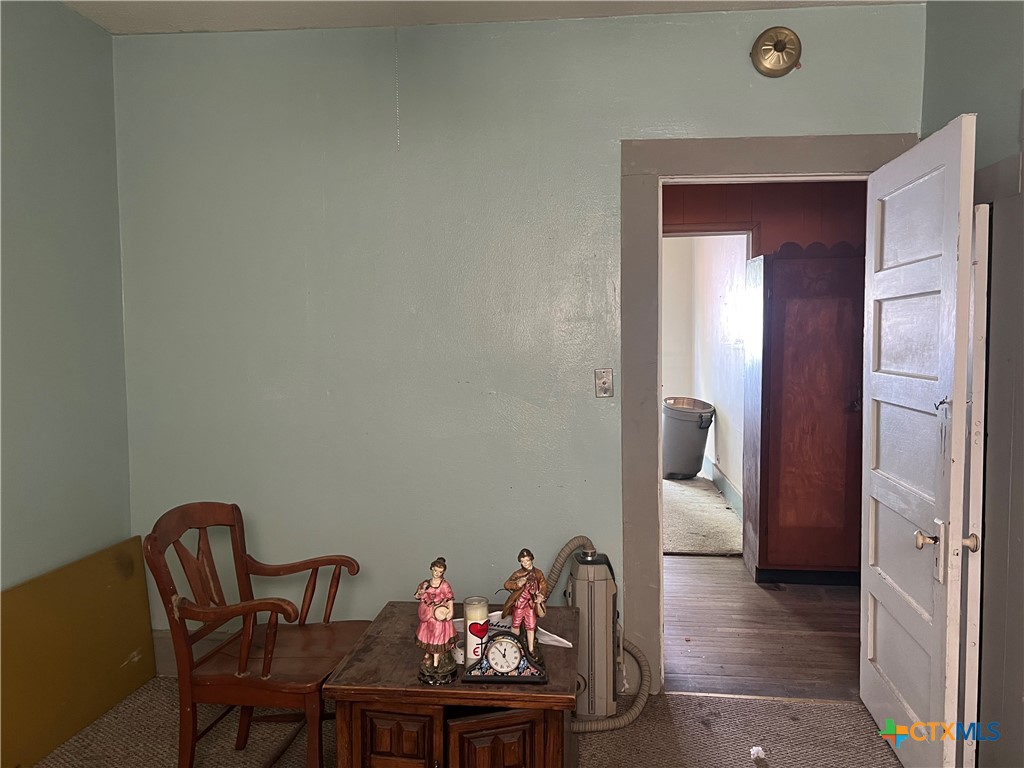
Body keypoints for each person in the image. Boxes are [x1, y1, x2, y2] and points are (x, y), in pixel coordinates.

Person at [501, 548, 547, 657]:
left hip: (531, 604)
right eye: (522, 561)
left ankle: (531, 650)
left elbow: (544, 585)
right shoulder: (518, 573)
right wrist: (517, 584)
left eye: (526, 560)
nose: (525, 563)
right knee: (516, 624)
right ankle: (514, 646)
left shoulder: (538, 573)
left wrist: (541, 595)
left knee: (530, 626)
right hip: (520, 603)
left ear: (531, 559)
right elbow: (507, 584)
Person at [414, 557, 456, 674]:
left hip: (439, 613)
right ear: (431, 569)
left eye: (440, 572)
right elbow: (417, 596)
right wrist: (421, 591)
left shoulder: (444, 585)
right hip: (427, 612)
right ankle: (428, 653)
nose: (437, 574)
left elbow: (449, 599)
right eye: (435, 570)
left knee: (437, 634)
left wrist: (450, 611)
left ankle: (436, 662)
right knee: (427, 634)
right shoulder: (425, 583)